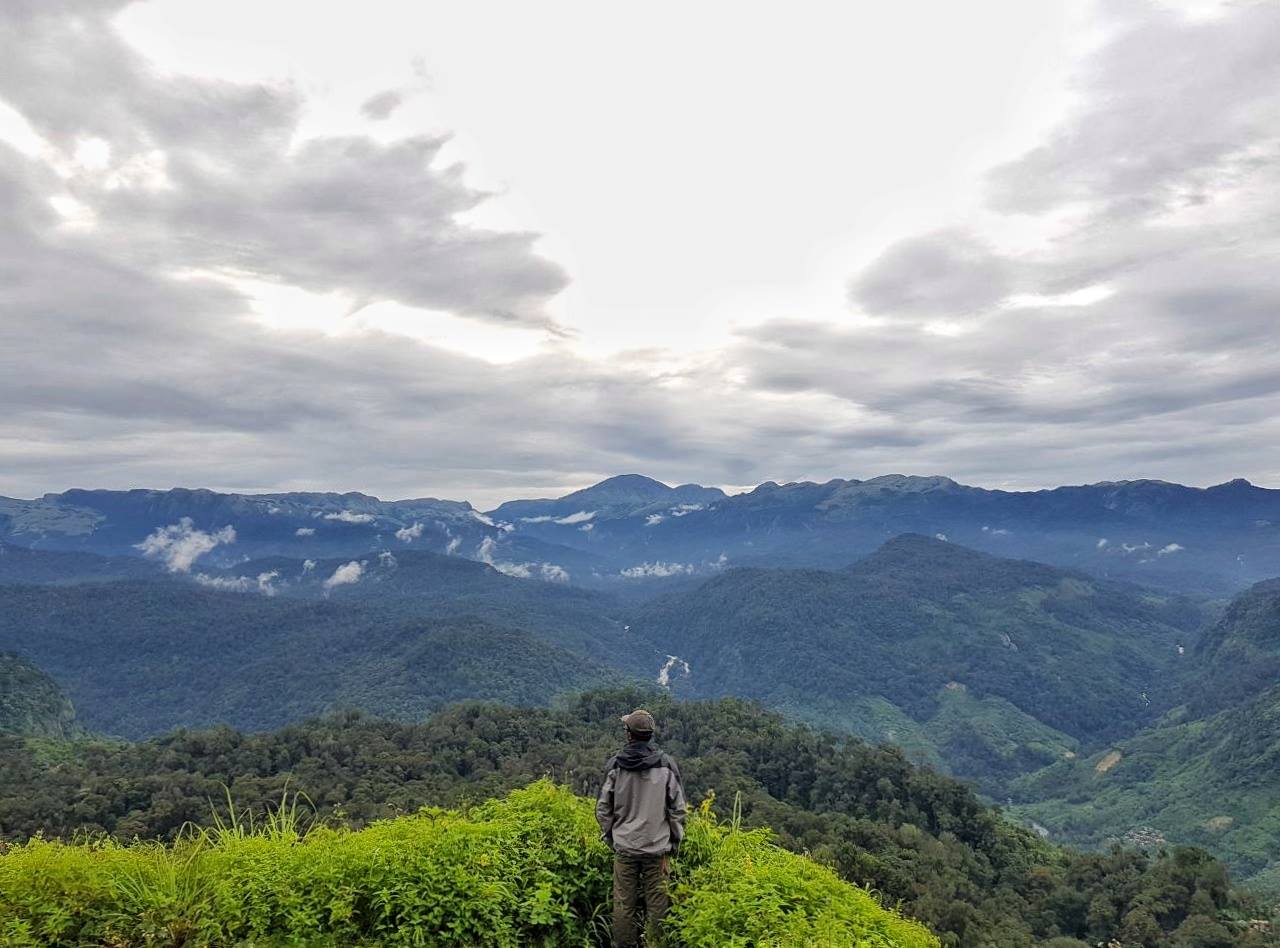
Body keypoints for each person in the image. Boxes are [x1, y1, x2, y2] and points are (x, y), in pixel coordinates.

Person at [595, 708, 687, 948]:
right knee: (658, 902)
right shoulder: (666, 765)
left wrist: (611, 837)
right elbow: (678, 809)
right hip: (657, 848)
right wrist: (673, 844)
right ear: (650, 735)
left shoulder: (615, 765)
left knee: (624, 902)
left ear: (629, 734)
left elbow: (603, 809)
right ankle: (655, 943)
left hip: (625, 846)